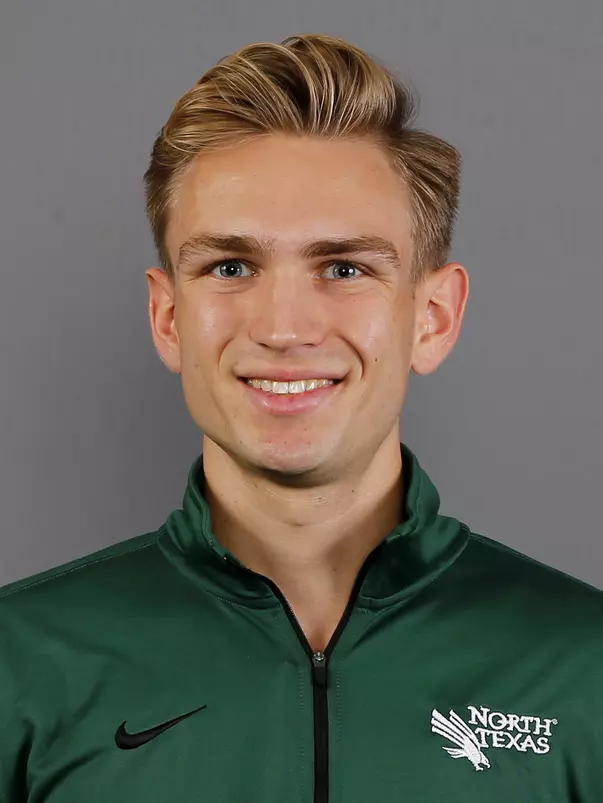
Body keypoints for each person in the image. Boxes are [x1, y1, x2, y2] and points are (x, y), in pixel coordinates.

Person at [0, 32, 601, 803]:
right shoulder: (20, 664)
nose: (283, 328)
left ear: (432, 316)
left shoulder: (582, 667)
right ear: (167, 317)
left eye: (344, 267)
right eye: (230, 266)